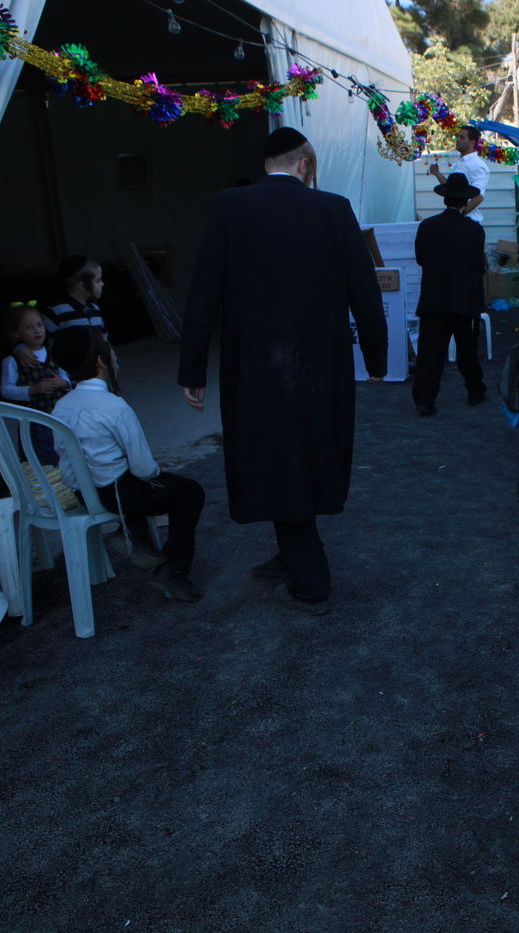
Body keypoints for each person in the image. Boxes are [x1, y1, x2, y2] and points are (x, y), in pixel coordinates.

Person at [178, 126, 388, 616]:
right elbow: (365, 290)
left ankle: (306, 572)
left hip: (254, 365)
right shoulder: (333, 208)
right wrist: (377, 359)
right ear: (304, 162)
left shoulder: (229, 206)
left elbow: (203, 292)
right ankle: (301, 563)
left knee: (273, 453)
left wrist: (192, 368)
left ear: (266, 163)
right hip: (322, 364)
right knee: (310, 450)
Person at [51, 329, 207, 603]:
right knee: (189, 492)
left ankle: (135, 535)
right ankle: (174, 570)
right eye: (111, 349)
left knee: (119, 474)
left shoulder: (60, 406)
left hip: (84, 493)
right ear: (102, 361)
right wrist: (157, 472)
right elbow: (144, 469)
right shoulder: (114, 407)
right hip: (118, 495)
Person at [411, 172, 488, 416]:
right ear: (465, 202)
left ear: (445, 200)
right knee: (467, 350)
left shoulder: (427, 226)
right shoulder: (474, 230)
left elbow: (421, 259)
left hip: (434, 297)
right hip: (464, 299)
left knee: (430, 353)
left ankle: (425, 398)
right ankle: (475, 391)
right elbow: (478, 265)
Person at [0, 304, 71, 466]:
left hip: (60, 417)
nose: (37, 330)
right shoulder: (13, 361)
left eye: (39, 325)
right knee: (44, 462)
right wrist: (32, 389)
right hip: (35, 422)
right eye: (29, 327)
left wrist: (63, 383)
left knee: (67, 456)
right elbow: (6, 389)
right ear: (17, 333)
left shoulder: (54, 352)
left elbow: (66, 375)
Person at [429, 125, 489, 224]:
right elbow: (451, 188)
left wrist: (459, 215)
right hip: (456, 220)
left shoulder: (478, 165)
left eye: (462, 137)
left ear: (472, 142)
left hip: (469, 221)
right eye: (458, 137)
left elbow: (478, 197)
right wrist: (437, 173)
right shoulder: (459, 163)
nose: (457, 140)